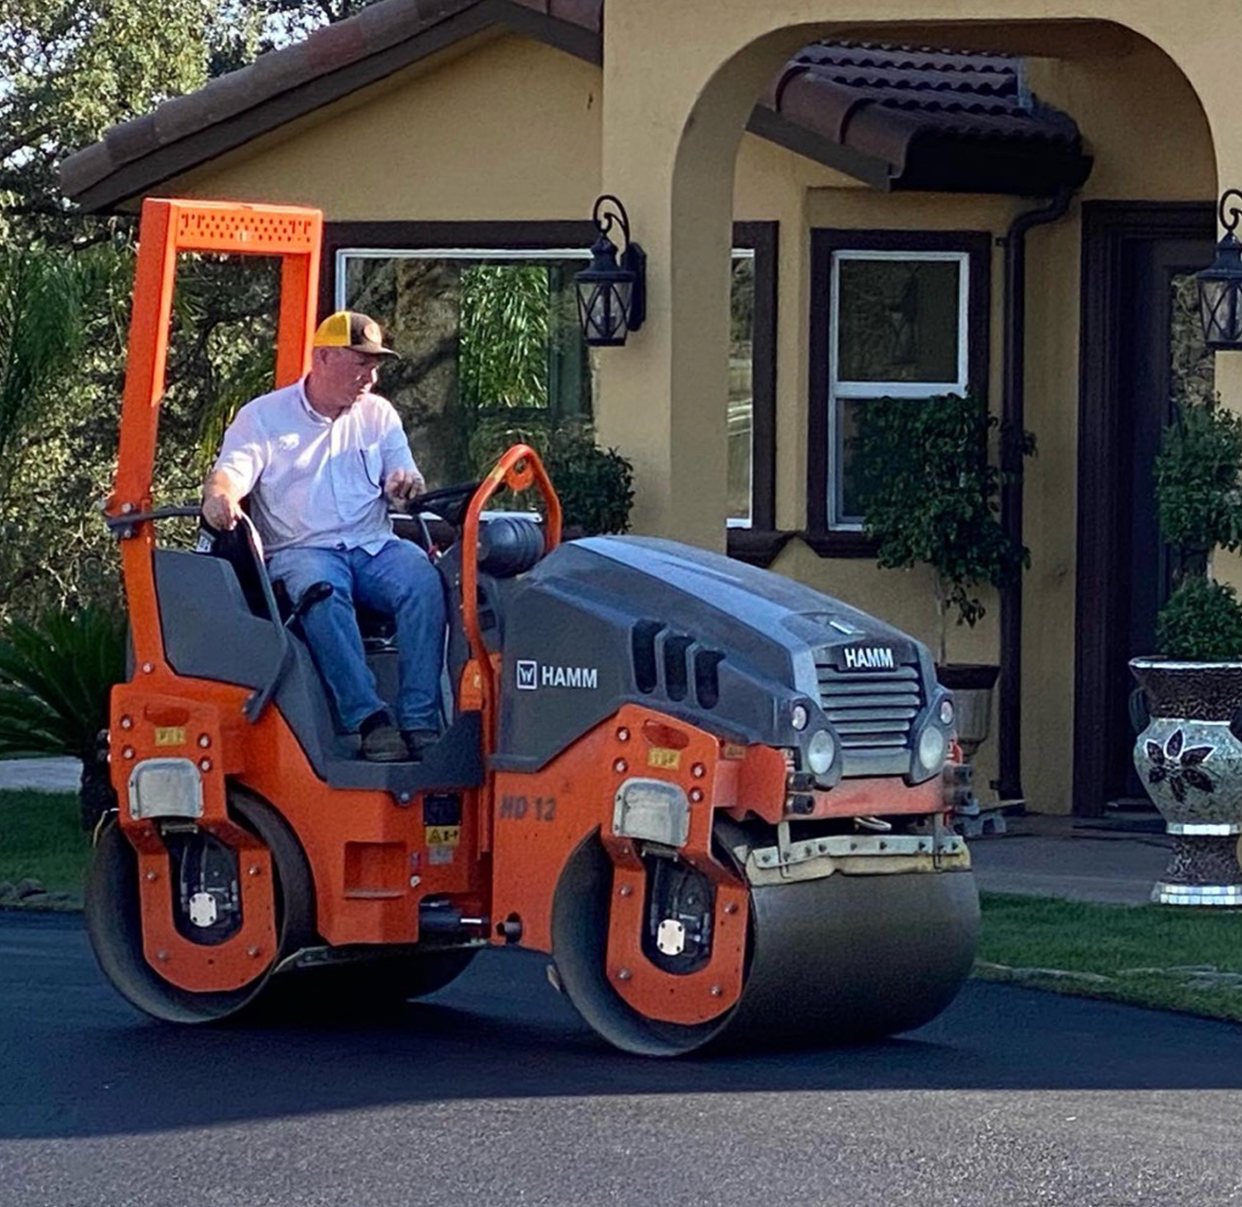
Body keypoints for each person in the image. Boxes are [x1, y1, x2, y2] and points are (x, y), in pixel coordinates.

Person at [201, 310, 445, 762]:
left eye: (374, 366)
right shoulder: (264, 418)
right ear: (323, 358)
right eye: (360, 364)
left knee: (424, 580)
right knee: (323, 589)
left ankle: (421, 719)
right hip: (301, 549)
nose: (369, 377)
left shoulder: (379, 415)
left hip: (373, 543)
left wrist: (405, 484)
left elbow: (405, 473)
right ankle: (369, 720)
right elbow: (228, 477)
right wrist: (220, 499)